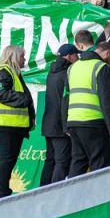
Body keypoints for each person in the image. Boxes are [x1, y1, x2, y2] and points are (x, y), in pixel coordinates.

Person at [0, 45, 34, 199]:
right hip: (5, 124)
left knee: (8, 160)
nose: (24, 59)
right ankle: (1, 193)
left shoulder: (10, 72)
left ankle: (3, 191)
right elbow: (1, 93)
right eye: (22, 56)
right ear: (14, 57)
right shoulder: (3, 71)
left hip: (9, 124)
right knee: (6, 160)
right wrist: (24, 99)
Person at [66, 41, 110, 176]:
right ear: (107, 53)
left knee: (78, 161)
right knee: (99, 162)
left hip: (73, 121)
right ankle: (99, 196)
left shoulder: (73, 67)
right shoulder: (101, 67)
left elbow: (66, 95)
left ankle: (71, 194)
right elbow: (106, 101)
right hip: (93, 122)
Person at [40, 43, 77, 185]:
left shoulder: (52, 72)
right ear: (68, 56)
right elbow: (65, 102)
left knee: (50, 159)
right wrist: (66, 126)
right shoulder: (67, 74)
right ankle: (56, 191)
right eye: (75, 55)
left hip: (48, 123)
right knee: (62, 161)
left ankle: (42, 190)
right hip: (59, 125)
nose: (77, 57)